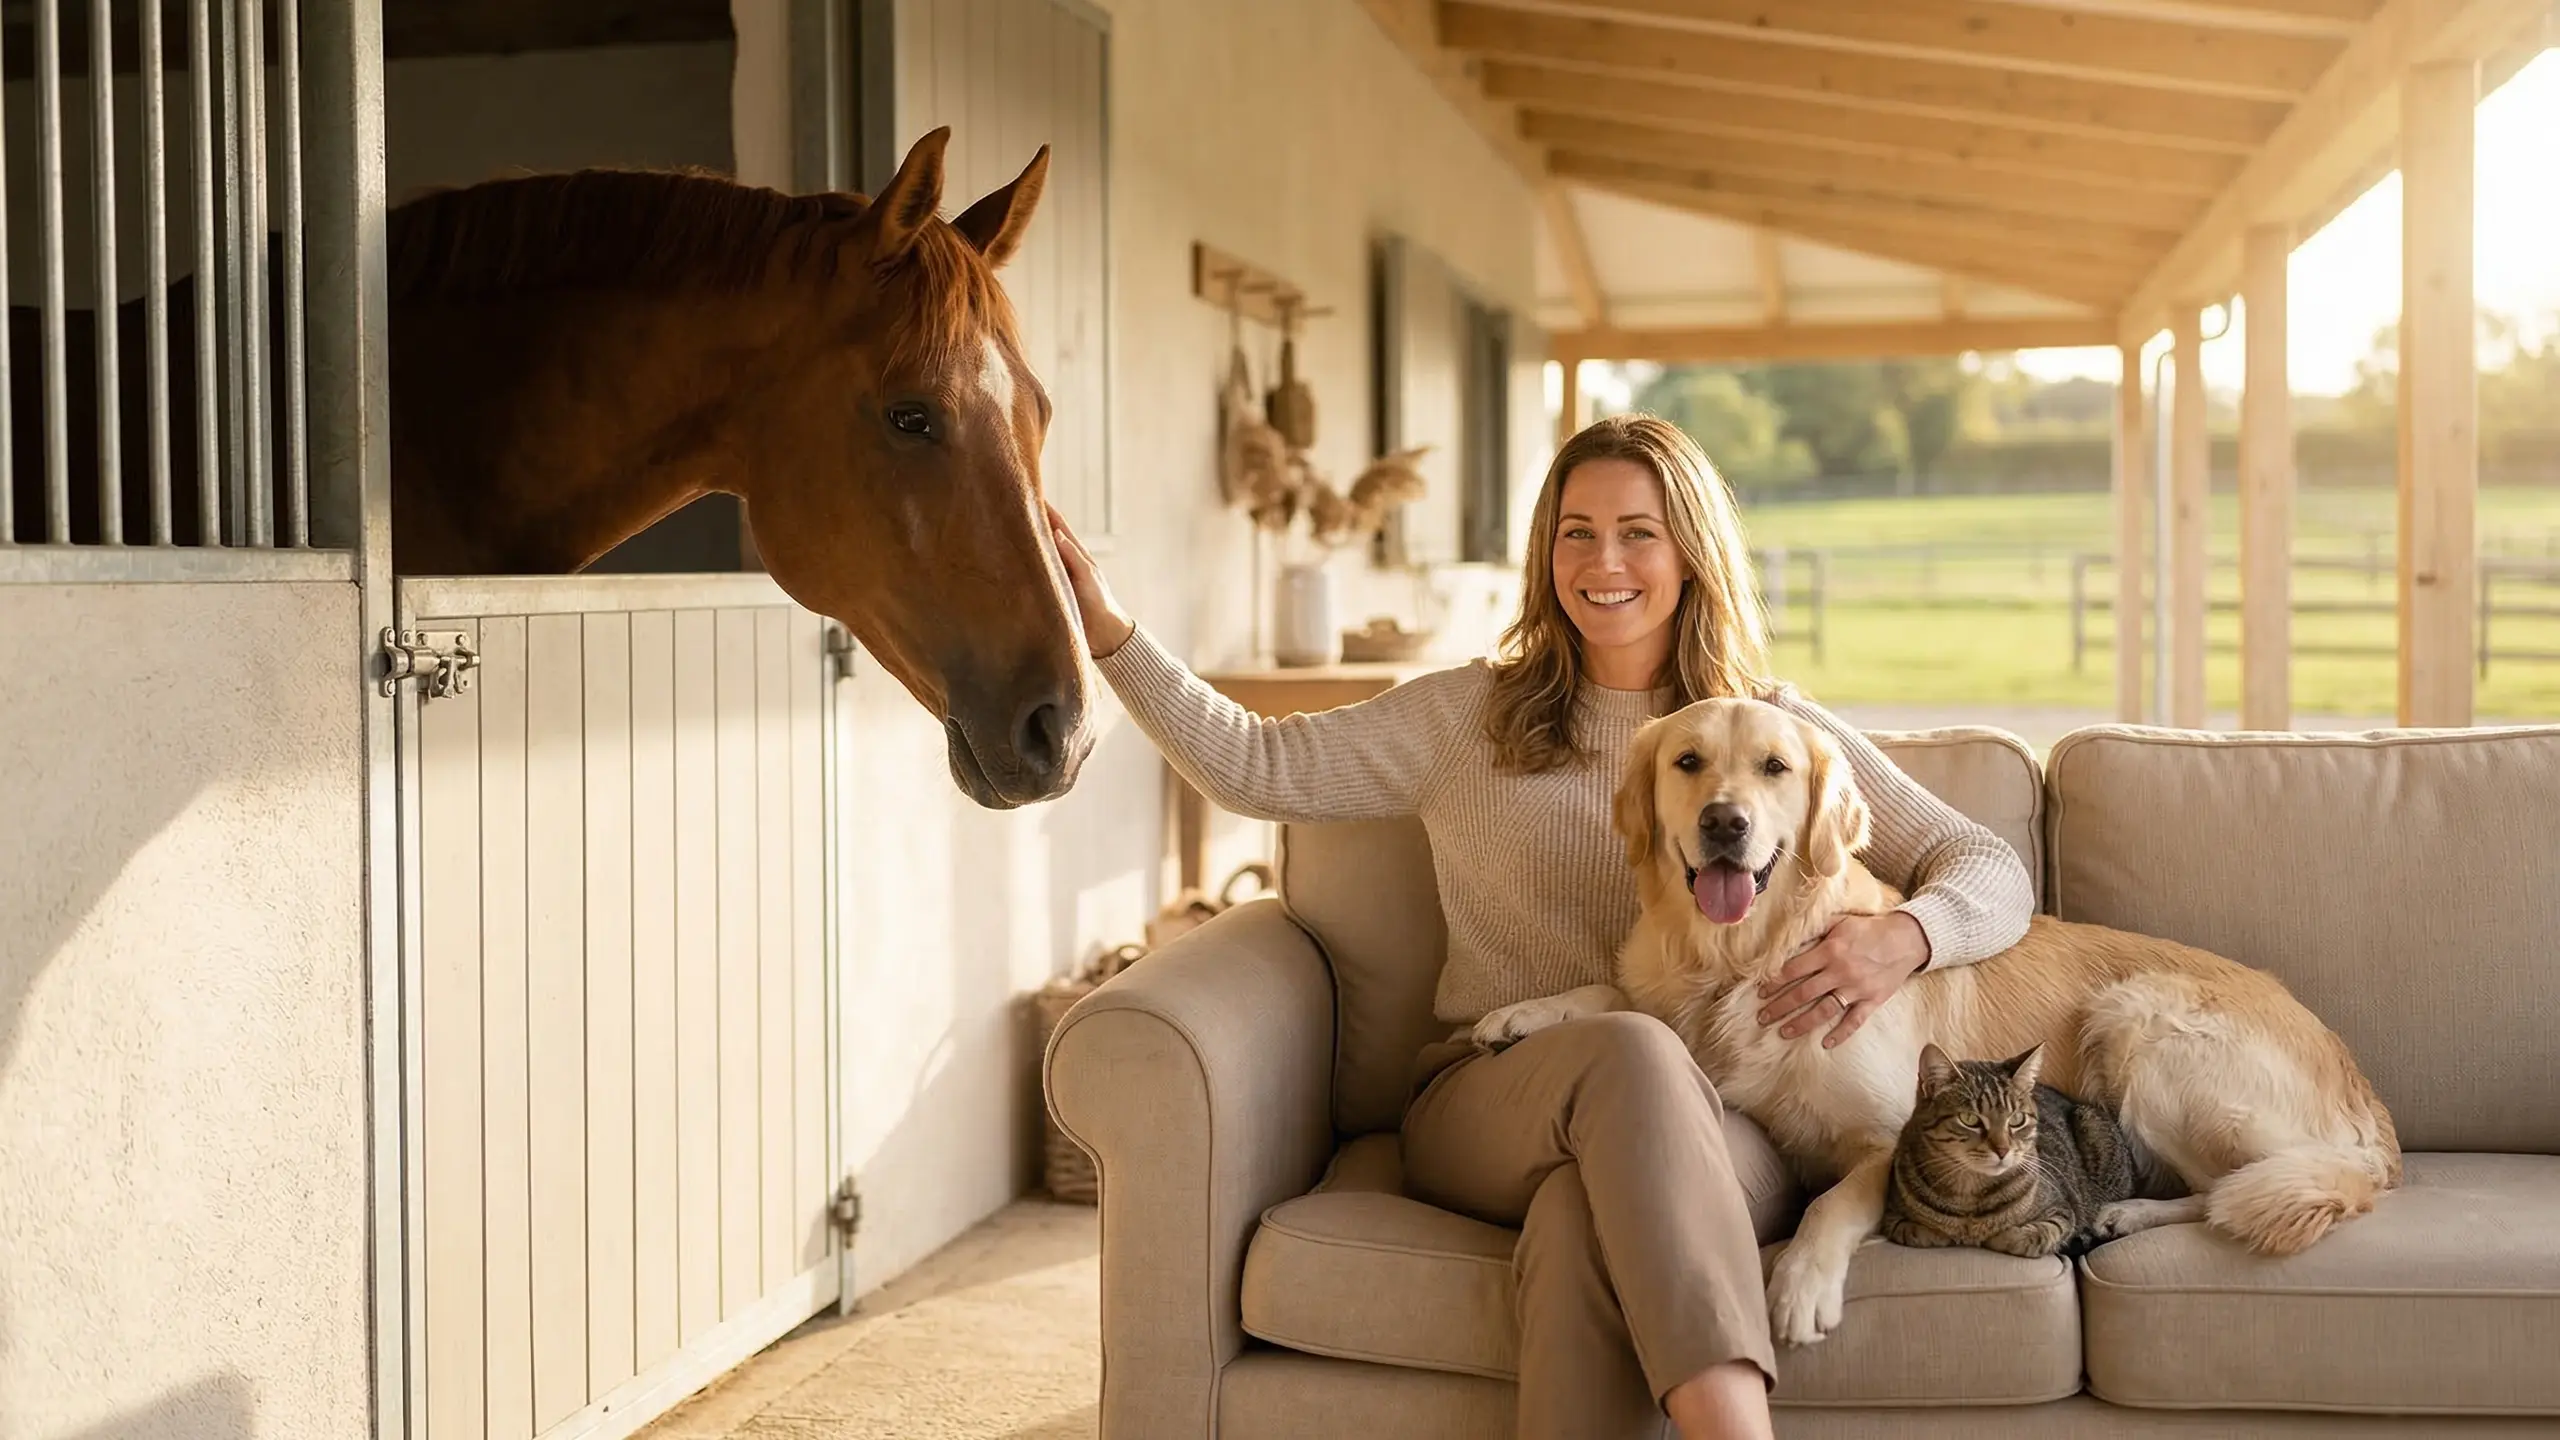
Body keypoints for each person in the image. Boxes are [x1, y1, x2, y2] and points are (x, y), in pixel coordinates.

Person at [1045, 413, 2036, 1440]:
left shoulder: (1773, 734)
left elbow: (1989, 867)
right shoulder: (1465, 716)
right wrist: (1109, 632)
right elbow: (1252, 763)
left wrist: (1903, 938)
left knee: (1580, 1220)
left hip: (1708, 1133)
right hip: (1488, 1099)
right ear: (1545, 552)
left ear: (1690, 551)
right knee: (1628, 1045)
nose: (1603, 561)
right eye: (1575, 531)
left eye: (1638, 531)